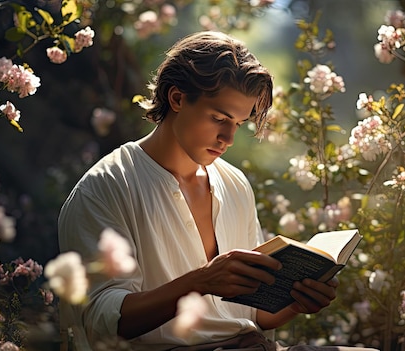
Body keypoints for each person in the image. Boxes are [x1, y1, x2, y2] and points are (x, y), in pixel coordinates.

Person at [58, 31, 376, 351]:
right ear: (177, 98)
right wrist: (200, 282)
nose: (228, 138)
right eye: (219, 118)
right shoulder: (106, 187)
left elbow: (250, 312)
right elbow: (100, 321)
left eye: (238, 123)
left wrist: (297, 301)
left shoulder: (234, 183)